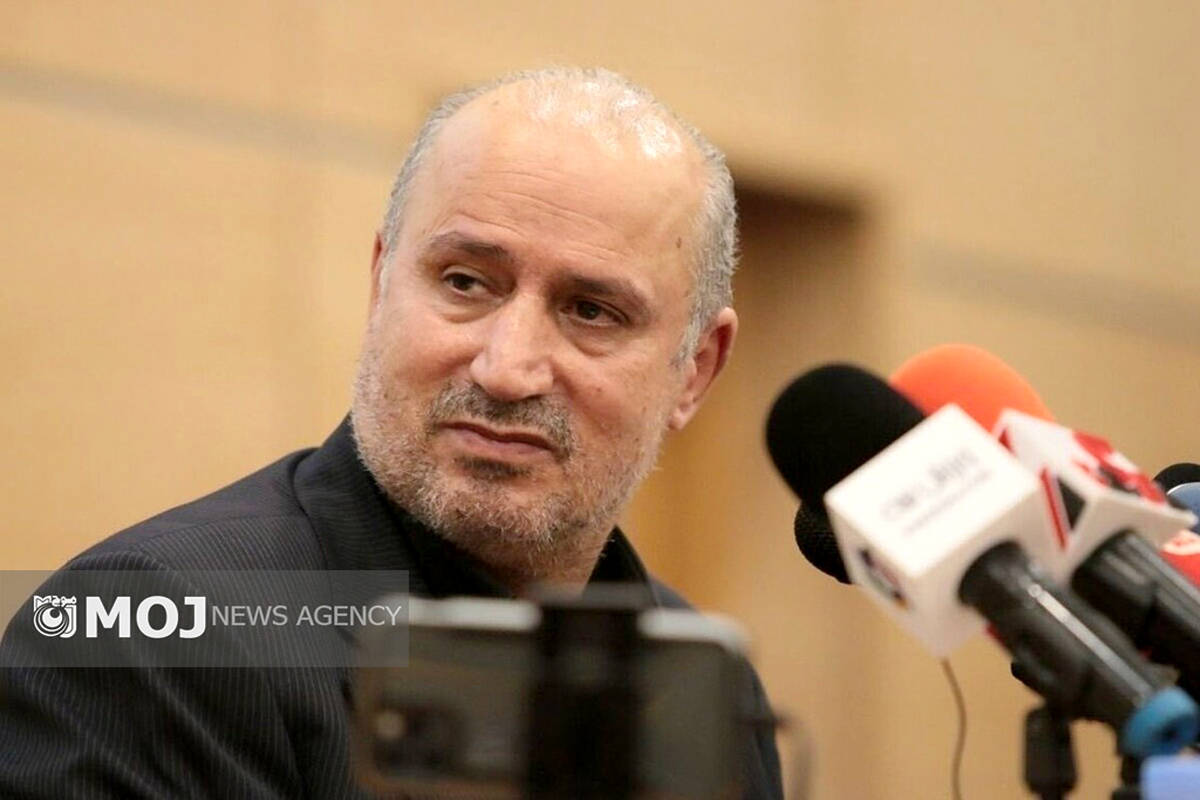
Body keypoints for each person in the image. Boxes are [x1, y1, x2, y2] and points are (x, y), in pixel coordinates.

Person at [0, 66, 782, 798]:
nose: (506, 370)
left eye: (591, 312)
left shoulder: (703, 684)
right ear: (381, 284)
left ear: (695, 371)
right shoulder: (154, 626)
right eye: (465, 282)